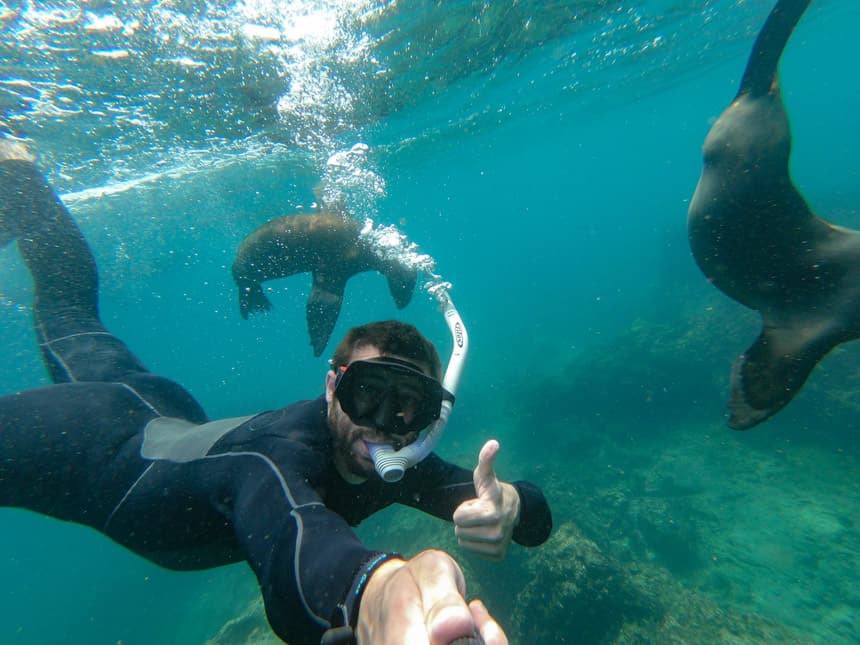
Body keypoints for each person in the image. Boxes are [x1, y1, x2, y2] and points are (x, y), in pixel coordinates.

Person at [0, 139, 552, 645]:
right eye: (366, 394)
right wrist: (376, 596)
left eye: (409, 407)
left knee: (70, 311)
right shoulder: (275, 456)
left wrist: (508, 502)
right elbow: (296, 544)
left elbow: (534, 515)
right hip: (91, 446)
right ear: (332, 385)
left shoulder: (399, 458)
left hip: (162, 409)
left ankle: (20, 178)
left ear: (431, 416)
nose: (382, 424)